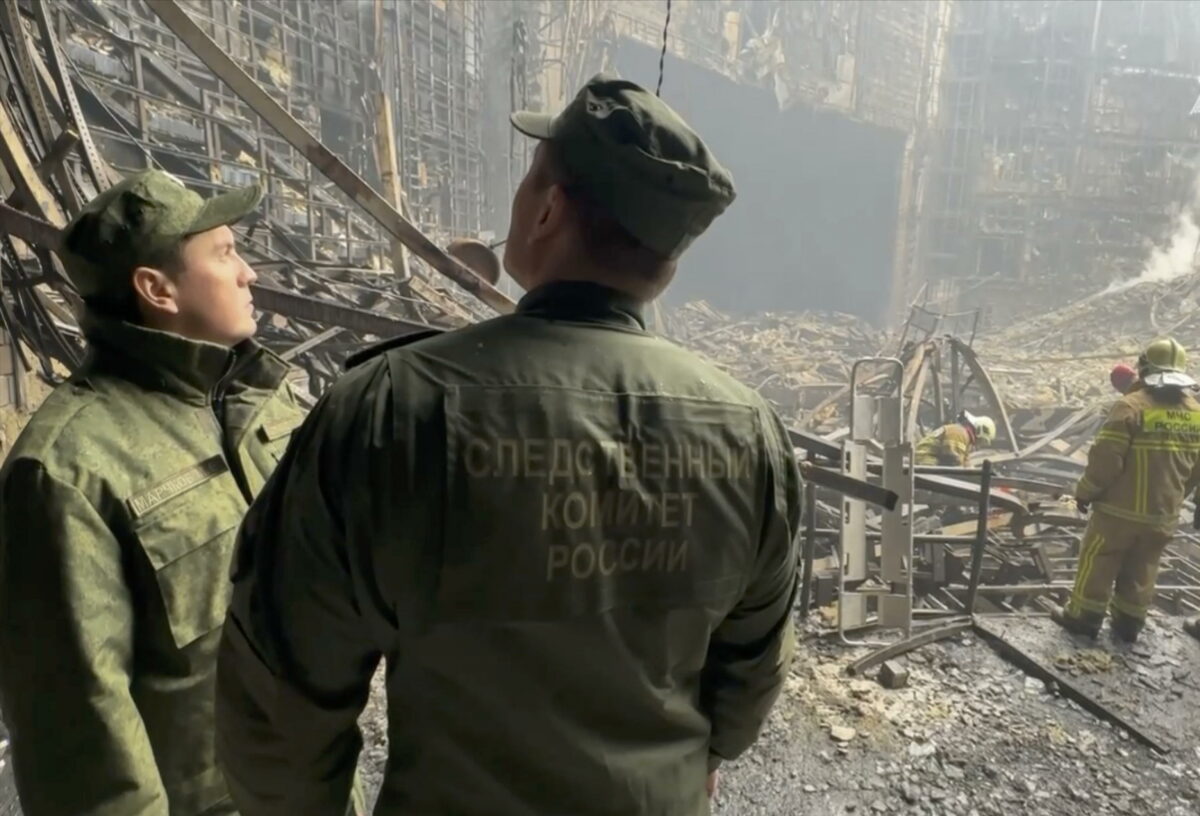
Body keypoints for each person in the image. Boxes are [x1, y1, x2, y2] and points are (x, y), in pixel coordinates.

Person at [215, 74, 801, 816]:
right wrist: (706, 755)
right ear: (668, 260)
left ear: (547, 210)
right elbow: (752, 669)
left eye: (529, 180)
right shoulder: (750, 434)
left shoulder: (390, 407)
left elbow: (279, 702)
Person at [0, 170, 304, 815]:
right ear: (157, 289)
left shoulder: (259, 404)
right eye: (225, 253)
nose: (248, 273)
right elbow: (82, 738)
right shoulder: (66, 469)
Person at [1053, 338, 1200, 642]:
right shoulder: (1196, 413)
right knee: (1143, 568)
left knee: (1099, 559)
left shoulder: (1130, 406)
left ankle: (1084, 617)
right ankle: (1129, 623)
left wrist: (1085, 492)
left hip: (1118, 513)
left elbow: (1105, 460)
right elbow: (1193, 472)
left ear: (1144, 368)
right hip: (1163, 515)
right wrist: (1173, 500)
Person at [914, 411, 996, 467]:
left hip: (929, 460)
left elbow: (966, 464)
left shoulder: (965, 439)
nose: (980, 444)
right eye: (983, 441)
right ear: (979, 431)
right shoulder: (959, 434)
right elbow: (952, 460)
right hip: (925, 460)